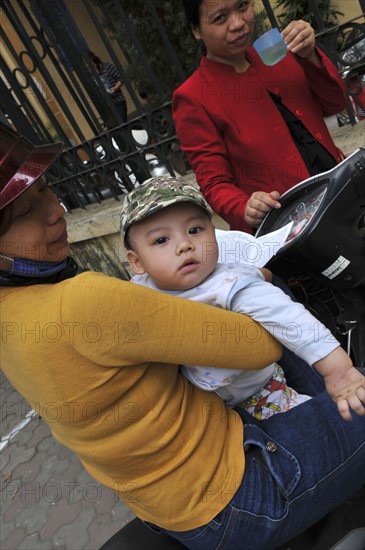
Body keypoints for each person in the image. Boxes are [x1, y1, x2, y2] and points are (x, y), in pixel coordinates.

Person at [0, 123, 364, 550]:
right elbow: (260, 346)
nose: (54, 211)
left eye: (45, 190)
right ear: (135, 259)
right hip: (241, 491)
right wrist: (247, 283)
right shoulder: (83, 302)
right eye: (25, 212)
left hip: (171, 505)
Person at [121, 175, 362, 421]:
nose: (184, 245)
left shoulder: (230, 283)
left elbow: (291, 319)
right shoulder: (138, 294)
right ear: (137, 262)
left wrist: (338, 372)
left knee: (312, 423)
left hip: (259, 397)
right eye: (161, 240)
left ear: (214, 235)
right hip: (198, 408)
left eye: (195, 230)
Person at [172, 0, 348, 233]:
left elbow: (334, 103)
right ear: (196, 30)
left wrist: (309, 56)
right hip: (290, 223)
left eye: (243, 6)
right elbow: (214, 182)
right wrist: (245, 206)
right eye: (220, 18)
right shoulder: (194, 96)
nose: (238, 23)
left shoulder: (277, 51)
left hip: (342, 188)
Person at [89, 50, 127, 123]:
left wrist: (115, 87)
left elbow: (121, 77)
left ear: (93, 60)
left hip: (118, 101)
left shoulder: (107, 67)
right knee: (115, 129)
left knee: (122, 124)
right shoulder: (90, 75)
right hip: (106, 106)